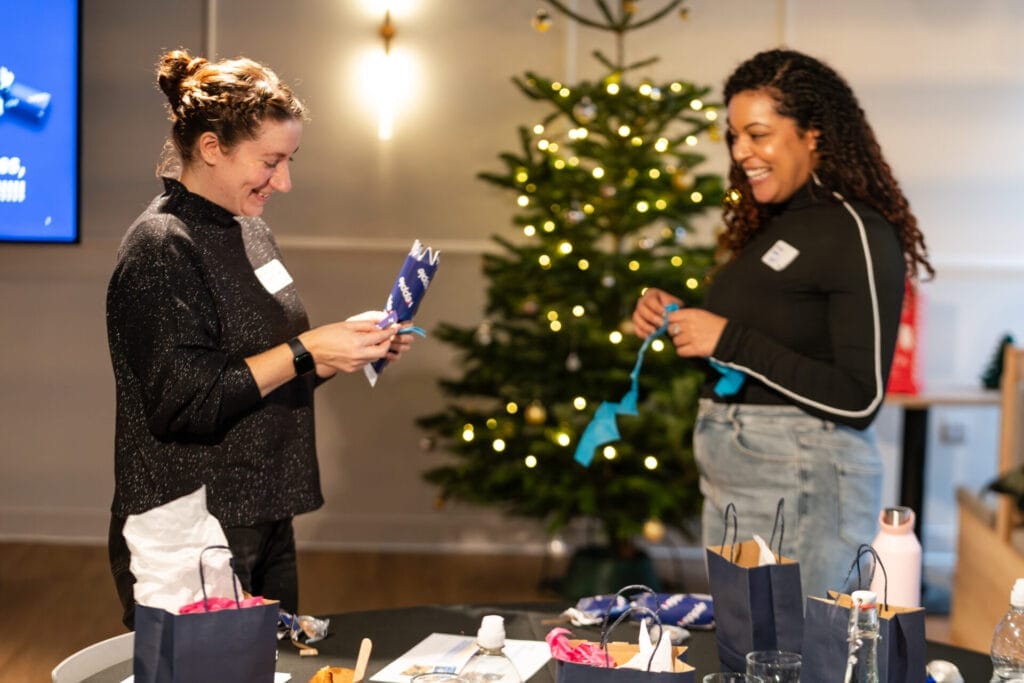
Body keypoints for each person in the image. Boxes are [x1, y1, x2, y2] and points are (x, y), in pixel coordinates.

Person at [106, 49, 414, 628]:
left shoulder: (250, 231)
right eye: (271, 161)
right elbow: (187, 401)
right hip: (193, 528)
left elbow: (260, 373)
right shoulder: (161, 246)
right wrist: (308, 349)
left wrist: (342, 348)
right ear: (212, 149)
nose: (285, 181)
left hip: (265, 510)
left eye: (290, 160)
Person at [632, 48, 933, 599]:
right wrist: (674, 316)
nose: (741, 151)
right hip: (746, 474)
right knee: (749, 655)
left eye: (758, 134)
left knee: (803, 660)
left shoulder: (854, 230)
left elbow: (859, 399)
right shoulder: (774, 226)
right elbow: (764, 337)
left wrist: (728, 338)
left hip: (806, 481)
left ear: (813, 133)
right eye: (734, 136)